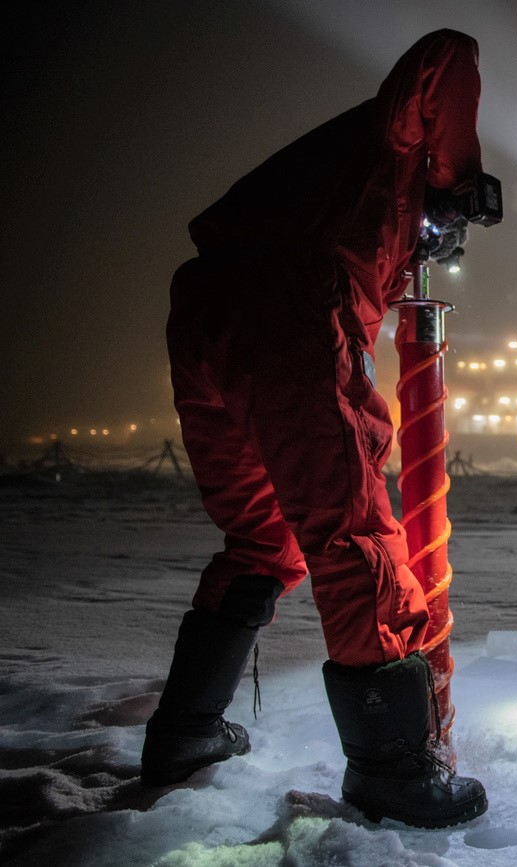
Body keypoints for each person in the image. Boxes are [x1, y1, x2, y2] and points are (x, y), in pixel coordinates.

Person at [141, 30, 497, 829]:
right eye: (441, 230)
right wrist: (457, 179)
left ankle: (185, 731)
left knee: (264, 536)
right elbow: (449, 53)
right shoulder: (395, 149)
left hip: (205, 310)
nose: (434, 244)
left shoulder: (317, 183)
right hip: (290, 308)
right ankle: (392, 768)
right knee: (351, 529)